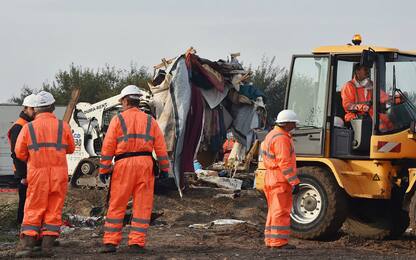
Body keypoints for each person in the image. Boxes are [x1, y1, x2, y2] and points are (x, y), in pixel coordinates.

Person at [98, 85, 170, 253]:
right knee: (142, 205)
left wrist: (103, 169)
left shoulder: (118, 120)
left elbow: (107, 147)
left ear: (125, 100)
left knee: (117, 204)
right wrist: (165, 168)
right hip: (145, 165)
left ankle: (110, 243)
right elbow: (160, 147)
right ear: (138, 101)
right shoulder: (150, 121)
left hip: (124, 165)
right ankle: (136, 243)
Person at [14, 91, 75, 258]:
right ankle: (47, 246)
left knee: (34, 208)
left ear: (35, 109)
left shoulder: (28, 128)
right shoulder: (63, 126)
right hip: (58, 174)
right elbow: (70, 148)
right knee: (54, 209)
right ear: (53, 107)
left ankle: (27, 246)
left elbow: (19, 153)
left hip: (37, 174)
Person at [261, 109, 300, 249]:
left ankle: (271, 241)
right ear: (287, 123)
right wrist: (294, 181)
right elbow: (285, 163)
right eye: (293, 123)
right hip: (279, 179)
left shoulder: (272, 134)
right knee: (281, 211)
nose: (295, 126)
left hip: (271, 177)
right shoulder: (282, 138)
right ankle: (278, 243)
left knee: (273, 211)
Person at [8, 94, 37, 225]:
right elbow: (16, 154)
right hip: (23, 172)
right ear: (26, 108)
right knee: (24, 201)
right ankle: (21, 225)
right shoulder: (19, 127)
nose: (35, 111)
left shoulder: (28, 125)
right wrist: (23, 175)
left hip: (30, 170)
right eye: (32, 108)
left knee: (29, 201)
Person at [341, 63, 392, 130]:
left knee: (389, 120)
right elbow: (348, 105)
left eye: (368, 69)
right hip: (355, 117)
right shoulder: (349, 86)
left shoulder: (370, 84)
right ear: (357, 71)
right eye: (365, 69)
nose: (368, 72)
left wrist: (398, 98)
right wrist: (362, 107)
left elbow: (383, 97)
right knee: (381, 126)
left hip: (370, 115)